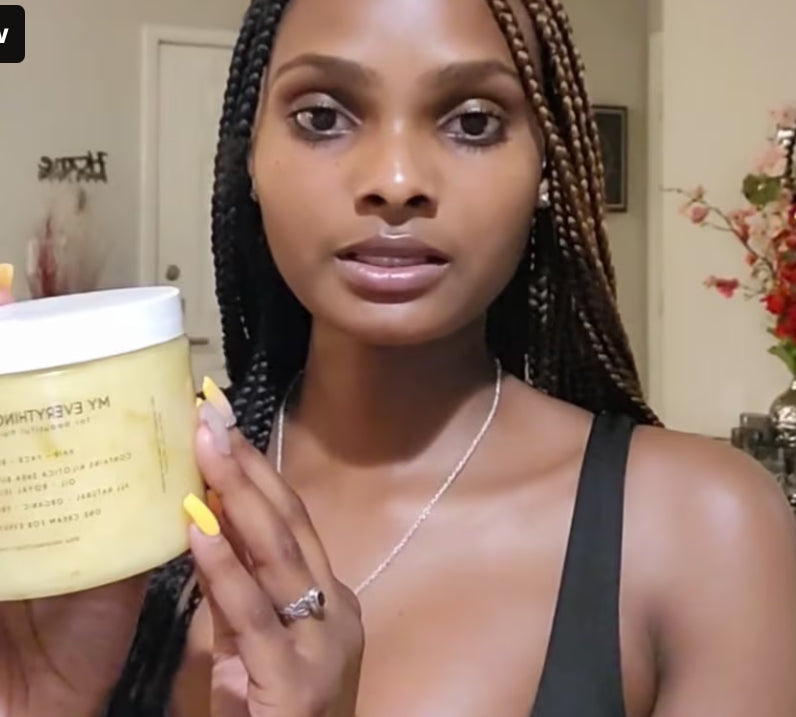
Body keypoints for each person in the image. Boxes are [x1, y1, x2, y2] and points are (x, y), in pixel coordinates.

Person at [2, 0, 796, 715]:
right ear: (249, 156)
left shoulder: (703, 530)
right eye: (322, 116)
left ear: (545, 169)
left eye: (473, 122)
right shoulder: (129, 499)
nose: (396, 180)